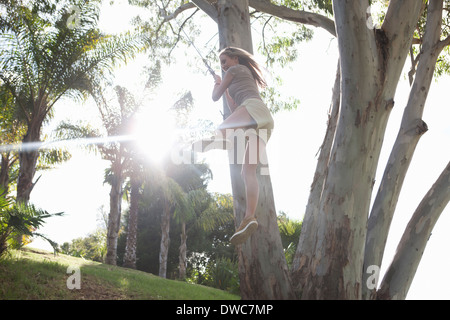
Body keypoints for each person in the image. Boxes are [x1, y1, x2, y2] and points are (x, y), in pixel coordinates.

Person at [193, 47, 274, 245]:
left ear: (235, 58)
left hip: (254, 109)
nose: (223, 65)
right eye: (221, 63)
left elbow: (214, 96)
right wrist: (224, 86)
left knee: (223, 128)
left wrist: (218, 85)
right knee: (247, 172)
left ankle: (220, 140)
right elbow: (234, 109)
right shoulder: (241, 74)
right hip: (264, 120)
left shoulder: (233, 71)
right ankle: (249, 218)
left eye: (224, 60)